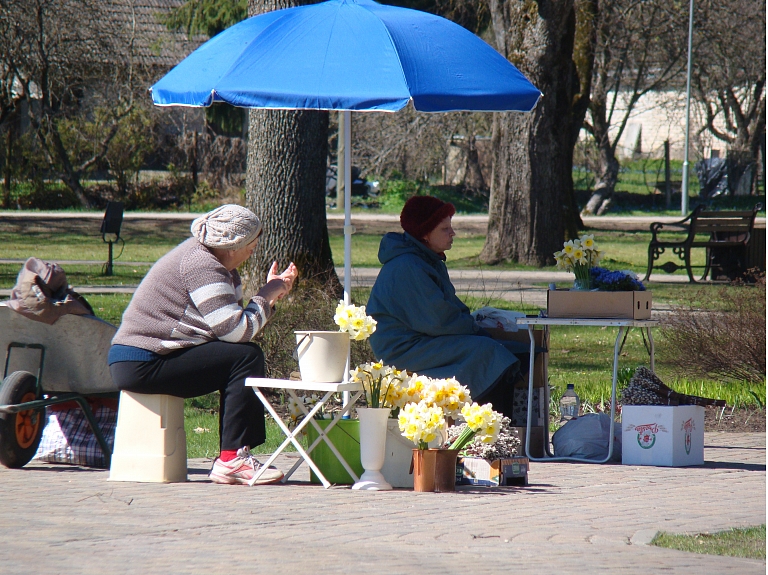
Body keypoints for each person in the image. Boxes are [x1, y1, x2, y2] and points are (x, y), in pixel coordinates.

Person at [108, 204, 298, 486]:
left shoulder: (218, 265)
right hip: (142, 361)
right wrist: (266, 295)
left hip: (148, 356)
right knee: (245, 357)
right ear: (233, 246)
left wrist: (268, 297)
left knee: (242, 355)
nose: (254, 250)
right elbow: (236, 332)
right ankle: (232, 459)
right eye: (252, 243)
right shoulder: (202, 265)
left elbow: (227, 330)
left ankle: (234, 455)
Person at [366, 196, 529, 415]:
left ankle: (502, 428)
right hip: (404, 349)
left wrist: (475, 328)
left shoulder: (426, 260)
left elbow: (448, 311)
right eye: (445, 229)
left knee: (517, 351)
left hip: (424, 339)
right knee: (489, 352)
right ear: (424, 233)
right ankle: (487, 427)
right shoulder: (408, 266)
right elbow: (439, 320)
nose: (452, 233)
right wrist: (476, 331)